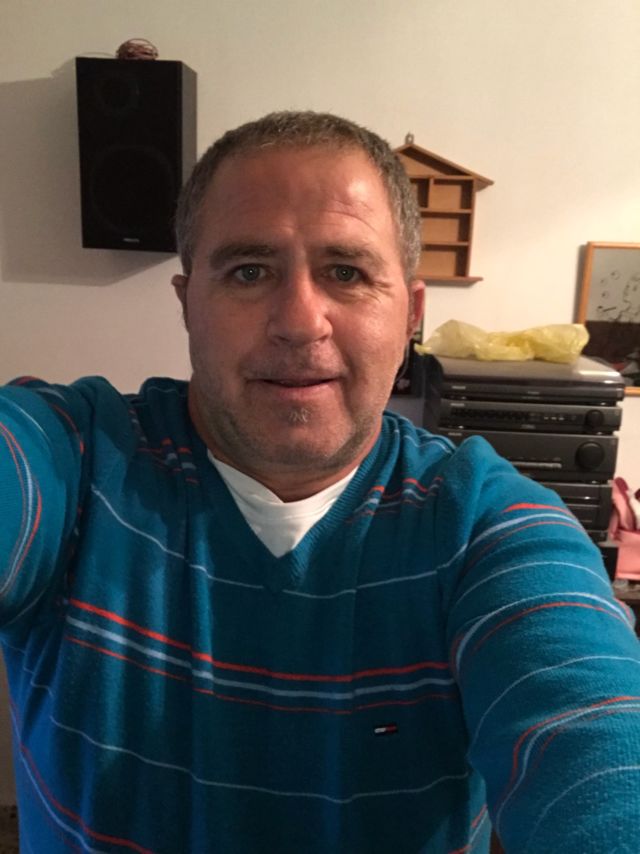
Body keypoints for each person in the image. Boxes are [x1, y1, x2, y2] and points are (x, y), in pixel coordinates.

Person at [1, 111, 639, 854]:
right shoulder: (73, 459)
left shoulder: (483, 526)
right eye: (249, 271)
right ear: (187, 303)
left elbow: (596, 738)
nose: (300, 322)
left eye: (347, 272)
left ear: (411, 314)